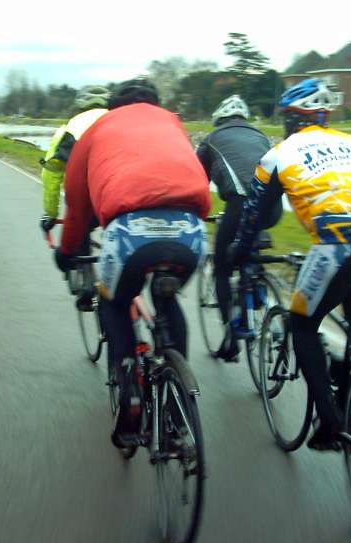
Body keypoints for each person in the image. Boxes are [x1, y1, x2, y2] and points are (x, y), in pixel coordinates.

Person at [228, 78, 351, 451]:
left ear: (293, 119)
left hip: (338, 244)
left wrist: (238, 252)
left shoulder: (281, 152)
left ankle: (331, 425)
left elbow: (255, 215)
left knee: (302, 324)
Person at [54, 78, 211, 447]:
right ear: (156, 104)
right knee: (167, 299)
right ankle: (177, 403)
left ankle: (131, 397)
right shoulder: (173, 124)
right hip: (190, 231)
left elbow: (77, 207)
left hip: (130, 233)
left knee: (115, 300)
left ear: (114, 107)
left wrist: (67, 253)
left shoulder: (99, 128)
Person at [196, 94, 273, 361]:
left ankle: (231, 340)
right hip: (272, 208)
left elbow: (197, 183)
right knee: (250, 244)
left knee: (222, 268)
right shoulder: (262, 135)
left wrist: (198, 214)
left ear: (220, 120)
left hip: (239, 206)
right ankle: (258, 284)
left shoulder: (211, 140)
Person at [39, 85, 110, 309]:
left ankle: (88, 286)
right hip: (127, 193)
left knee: (79, 230)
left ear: (79, 105)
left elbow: (52, 172)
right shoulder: (118, 119)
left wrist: (50, 213)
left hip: (91, 198)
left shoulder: (70, 127)